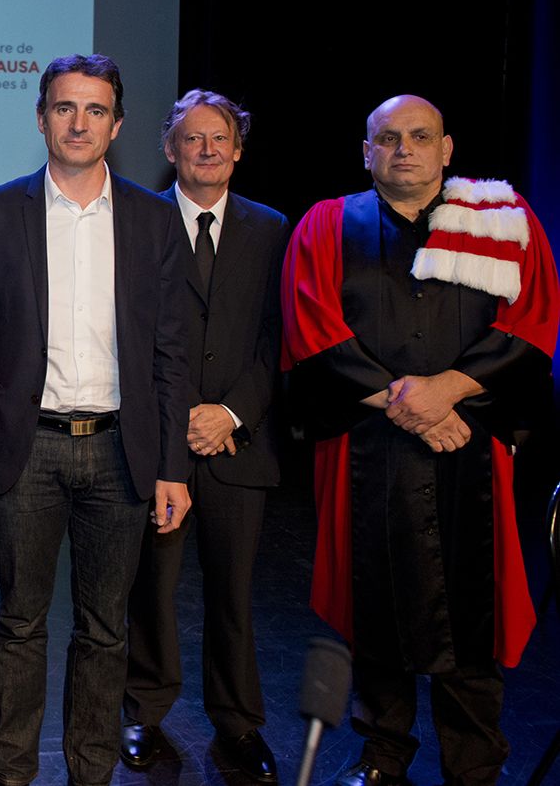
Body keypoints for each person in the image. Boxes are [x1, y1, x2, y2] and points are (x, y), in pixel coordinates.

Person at [282, 94, 557, 786]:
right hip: (365, 441)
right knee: (373, 602)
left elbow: (532, 320)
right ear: (366, 151)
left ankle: (475, 761)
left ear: (447, 147)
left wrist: (448, 390)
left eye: (419, 136)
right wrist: (411, 404)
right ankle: (383, 753)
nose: (403, 148)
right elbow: (310, 328)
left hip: (475, 443)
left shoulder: (502, 218)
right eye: (387, 138)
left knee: (475, 609)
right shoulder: (328, 223)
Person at [0, 53, 190, 786]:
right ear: (41, 118)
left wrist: (173, 468)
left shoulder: (155, 220)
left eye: (95, 110)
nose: (79, 121)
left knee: (104, 629)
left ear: (117, 125)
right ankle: (14, 775)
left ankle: (90, 774)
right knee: (20, 623)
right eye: (65, 107)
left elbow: (170, 351)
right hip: (26, 453)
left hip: (122, 453)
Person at [120, 90, 288, 781]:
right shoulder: (138, 222)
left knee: (233, 589)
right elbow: (128, 333)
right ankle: (143, 711)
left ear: (238, 148)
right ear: (170, 150)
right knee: (151, 585)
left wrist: (230, 414)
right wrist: (185, 413)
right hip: (161, 439)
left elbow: (279, 337)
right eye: (193, 139)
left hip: (239, 442)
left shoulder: (274, 228)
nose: (207, 149)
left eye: (219, 138)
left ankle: (239, 721)